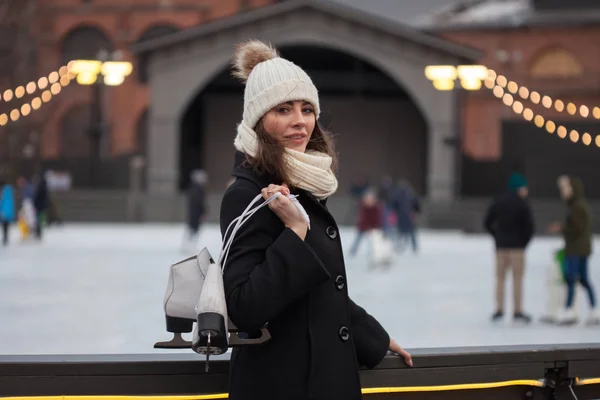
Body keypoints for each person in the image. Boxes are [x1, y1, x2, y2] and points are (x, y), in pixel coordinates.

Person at [219, 40, 412, 400]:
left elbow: (319, 292)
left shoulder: (303, 186)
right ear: (258, 121)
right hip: (281, 385)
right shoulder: (247, 195)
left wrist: (374, 338)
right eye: (283, 109)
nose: (300, 121)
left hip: (317, 378)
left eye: (308, 109)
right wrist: (295, 232)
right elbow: (243, 307)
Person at [547, 175, 599, 325]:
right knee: (582, 278)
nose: (563, 192)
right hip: (580, 248)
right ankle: (593, 309)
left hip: (576, 249)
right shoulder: (576, 205)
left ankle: (569, 310)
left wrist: (561, 228)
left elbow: (578, 228)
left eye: (566, 188)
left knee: (571, 277)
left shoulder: (578, 206)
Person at [484, 172, 534, 324]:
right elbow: (530, 227)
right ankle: (517, 311)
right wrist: (523, 243)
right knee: (517, 279)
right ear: (519, 188)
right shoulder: (522, 203)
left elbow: (487, 222)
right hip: (517, 248)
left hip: (501, 247)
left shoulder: (498, 201)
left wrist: (497, 236)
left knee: (500, 279)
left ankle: (499, 310)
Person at [181, 169, 208, 253]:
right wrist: (202, 212)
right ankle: (189, 246)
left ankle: (187, 246)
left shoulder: (195, 189)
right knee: (192, 230)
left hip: (195, 213)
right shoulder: (197, 189)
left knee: (191, 230)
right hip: (195, 214)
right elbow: (198, 203)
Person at [0, 178, 16, 245]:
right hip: (9, 211)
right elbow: (12, 202)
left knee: (4, 225)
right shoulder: (10, 190)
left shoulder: (3, 191)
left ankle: (5, 238)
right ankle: (6, 237)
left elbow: (2, 201)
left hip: (4, 211)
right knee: (7, 226)